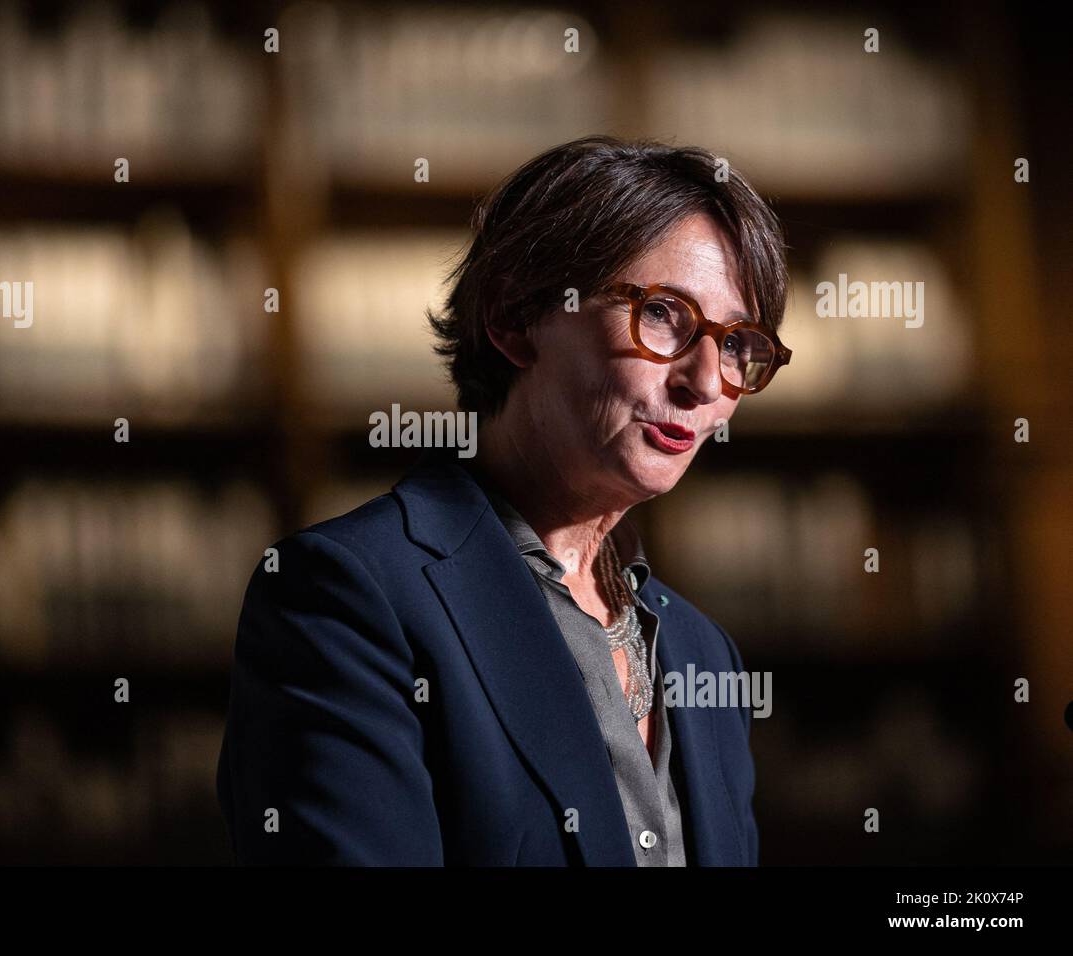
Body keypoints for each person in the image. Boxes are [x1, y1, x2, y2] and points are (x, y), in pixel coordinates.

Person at [216, 136, 791, 865]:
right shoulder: (348, 599)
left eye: (738, 344)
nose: (707, 381)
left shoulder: (703, 652)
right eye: (664, 316)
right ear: (516, 319)